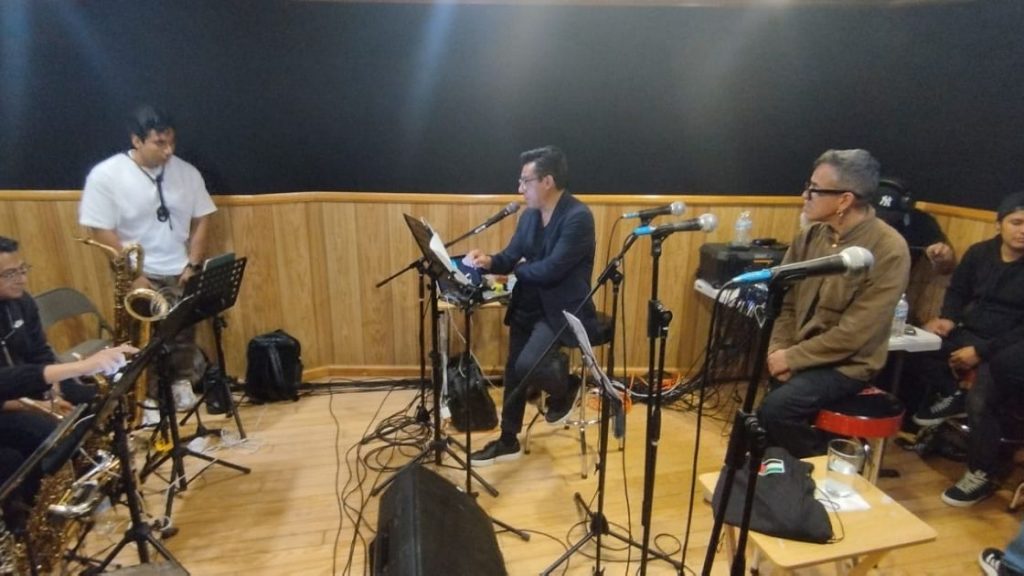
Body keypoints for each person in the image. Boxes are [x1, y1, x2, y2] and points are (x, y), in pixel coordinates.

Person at [759, 149, 911, 458]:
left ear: (844, 200)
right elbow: (785, 300)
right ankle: (774, 476)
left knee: (776, 410)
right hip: (798, 351)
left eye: (814, 189)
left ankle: (830, 464)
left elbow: (855, 334)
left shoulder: (889, 249)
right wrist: (778, 350)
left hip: (846, 365)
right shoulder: (810, 236)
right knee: (759, 423)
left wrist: (793, 358)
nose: (805, 195)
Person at [79, 105, 216, 425]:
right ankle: (148, 399)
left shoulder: (187, 173)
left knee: (182, 335)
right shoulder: (106, 175)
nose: (168, 151)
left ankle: (180, 384)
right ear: (137, 140)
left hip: (178, 267)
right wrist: (134, 274)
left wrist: (192, 265)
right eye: (159, 143)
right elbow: (100, 229)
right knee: (145, 342)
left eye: (172, 142)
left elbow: (203, 219)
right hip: (139, 272)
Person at [461, 146, 598, 466]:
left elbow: (552, 270)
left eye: (526, 181)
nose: (520, 188)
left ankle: (566, 386)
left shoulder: (578, 217)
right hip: (528, 303)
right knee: (513, 370)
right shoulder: (529, 217)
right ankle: (508, 439)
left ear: (547, 181)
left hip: (561, 309)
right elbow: (511, 257)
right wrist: (489, 261)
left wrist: (516, 270)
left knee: (527, 365)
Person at [0, 235, 135, 525]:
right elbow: (6, 381)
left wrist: (55, 392)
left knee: (98, 400)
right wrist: (38, 404)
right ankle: (39, 515)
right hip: (8, 402)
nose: (22, 279)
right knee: (50, 431)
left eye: (22, 269)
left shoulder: (22, 303)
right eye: (10, 274)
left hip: (32, 387)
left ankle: (94, 477)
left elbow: (40, 355)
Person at [905, 191, 1024, 507]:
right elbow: (957, 290)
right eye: (1016, 222)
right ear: (999, 224)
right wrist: (948, 318)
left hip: (1010, 349)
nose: (1022, 230)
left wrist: (981, 352)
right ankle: (953, 393)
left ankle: (981, 473)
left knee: (982, 395)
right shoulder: (980, 253)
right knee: (915, 347)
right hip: (970, 332)